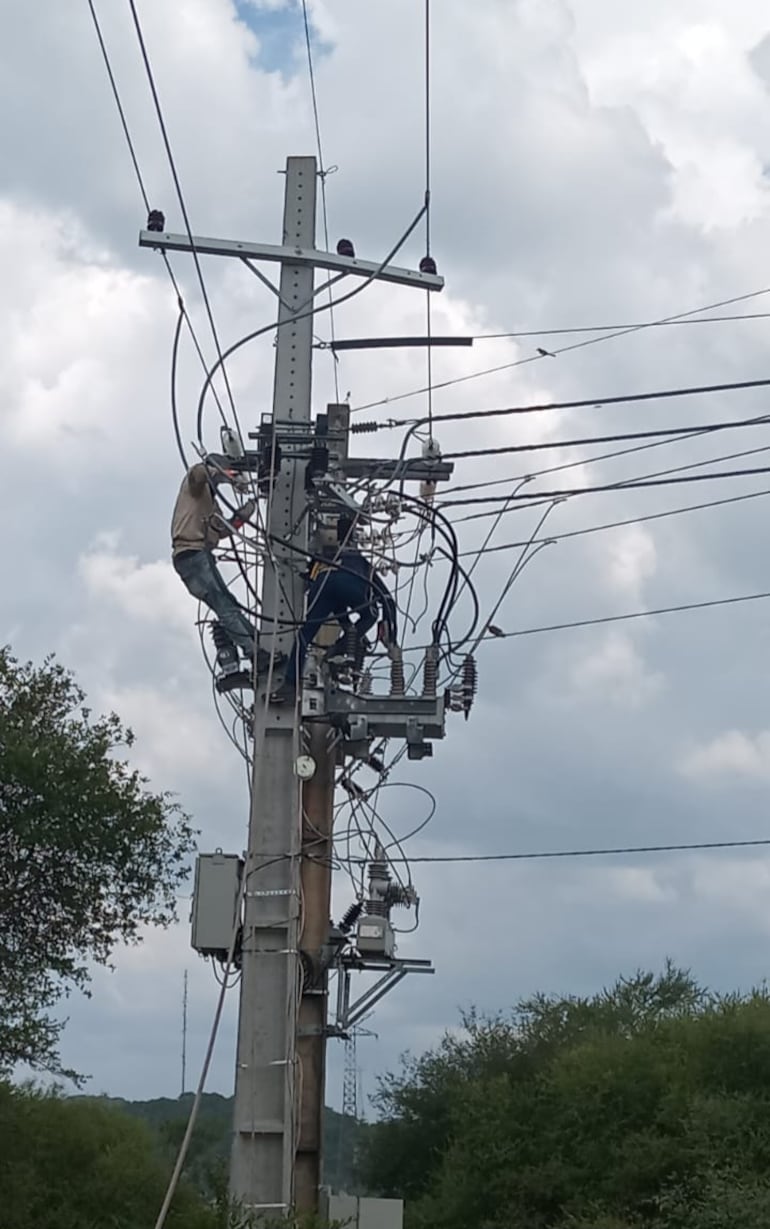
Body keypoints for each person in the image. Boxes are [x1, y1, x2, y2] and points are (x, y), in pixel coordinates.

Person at [271, 515, 397, 703]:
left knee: (304, 635)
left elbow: (309, 576)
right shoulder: (361, 561)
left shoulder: (327, 556)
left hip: (324, 585)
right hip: (350, 585)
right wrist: (391, 638)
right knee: (371, 614)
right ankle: (341, 646)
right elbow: (387, 598)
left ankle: (290, 685)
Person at [171, 454, 258, 665]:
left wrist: (243, 515)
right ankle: (254, 651)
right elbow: (199, 473)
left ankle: (257, 642)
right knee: (224, 606)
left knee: (227, 603)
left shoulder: (211, 503)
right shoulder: (194, 486)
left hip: (198, 556)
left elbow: (220, 531)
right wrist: (226, 474)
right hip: (191, 554)